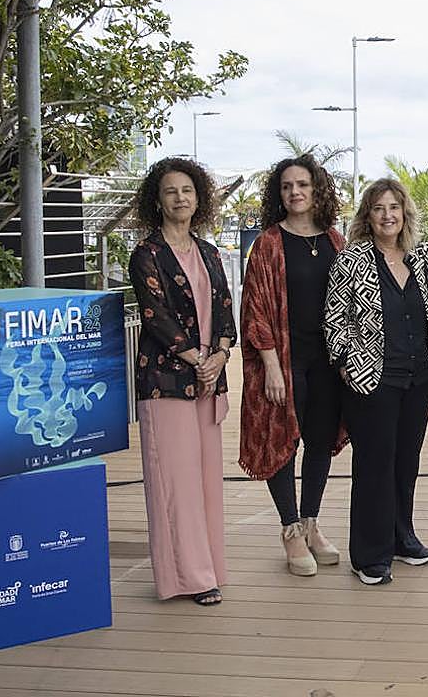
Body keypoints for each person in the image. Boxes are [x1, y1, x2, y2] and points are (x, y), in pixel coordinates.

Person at [324, 178, 428, 586]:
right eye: (379, 208)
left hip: (420, 376)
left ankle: (400, 538)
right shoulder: (352, 259)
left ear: (405, 213)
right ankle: (369, 554)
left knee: (405, 461)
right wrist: (345, 362)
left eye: (394, 207)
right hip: (371, 377)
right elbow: (335, 318)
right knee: (374, 464)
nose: (387, 215)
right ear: (368, 216)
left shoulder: (420, 258)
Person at [129, 157, 236, 606]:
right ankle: (189, 577)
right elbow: (154, 315)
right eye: (171, 191)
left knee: (207, 480)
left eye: (187, 190)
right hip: (166, 379)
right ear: (157, 199)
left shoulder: (210, 252)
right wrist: (198, 359)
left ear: (199, 198)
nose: (180, 198)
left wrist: (220, 356)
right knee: (175, 481)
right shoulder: (147, 253)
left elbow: (226, 309)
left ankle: (209, 567)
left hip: (209, 379)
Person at [239, 155, 349, 577]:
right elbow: (255, 309)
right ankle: (290, 529)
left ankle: (311, 523)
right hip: (284, 361)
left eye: (302, 184)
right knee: (283, 439)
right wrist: (270, 365)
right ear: (278, 193)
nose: (295, 192)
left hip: (328, 362)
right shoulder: (268, 243)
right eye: (286, 186)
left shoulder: (335, 240)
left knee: (319, 441)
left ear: (316, 188)